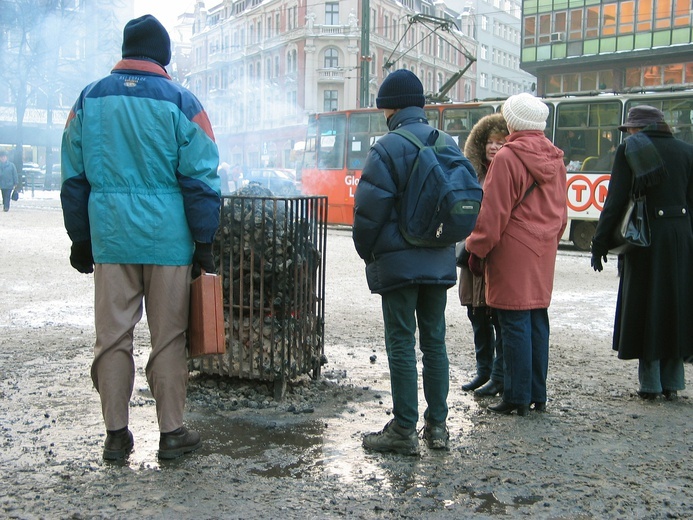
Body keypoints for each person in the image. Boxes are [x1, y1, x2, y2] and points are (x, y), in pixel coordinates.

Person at [60, 14, 221, 460]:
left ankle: (116, 435)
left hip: (110, 236)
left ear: (126, 51)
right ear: (163, 57)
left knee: (113, 337)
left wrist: (80, 237)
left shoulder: (89, 99)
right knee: (168, 338)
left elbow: (73, 175)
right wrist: (203, 241)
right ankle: (171, 433)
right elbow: (202, 177)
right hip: (168, 239)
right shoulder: (182, 101)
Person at [352, 69, 466, 454]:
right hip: (438, 258)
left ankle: (403, 429)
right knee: (435, 342)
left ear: (390, 108)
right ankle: (437, 428)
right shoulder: (447, 142)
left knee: (401, 342)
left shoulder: (386, 148)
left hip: (400, 266)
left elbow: (369, 214)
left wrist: (369, 252)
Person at [465, 93, 567, 416]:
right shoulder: (555, 158)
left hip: (513, 250)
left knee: (513, 321)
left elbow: (492, 214)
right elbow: (562, 213)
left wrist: (475, 248)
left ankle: (516, 397)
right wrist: (548, 240)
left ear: (513, 122)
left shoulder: (508, 158)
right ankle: (537, 393)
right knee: (537, 318)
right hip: (543, 249)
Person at [590, 105, 693, 400]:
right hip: (682, 237)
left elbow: (616, 201)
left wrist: (599, 243)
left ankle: (650, 384)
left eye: (631, 129)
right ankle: (673, 383)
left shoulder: (629, 151)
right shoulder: (688, 151)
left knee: (649, 307)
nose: (630, 134)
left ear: (639, 129)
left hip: (645, 238)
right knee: (675, 306)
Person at [458, 113, 508, 397]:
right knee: (476, 314)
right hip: (470, 252)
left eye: (500, 142)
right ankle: (483, 370)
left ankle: (498, 374)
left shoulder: (506, 172)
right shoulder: (471, 172)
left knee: (498, 316)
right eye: (490, 141)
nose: (493, 147)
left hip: (495, 253)